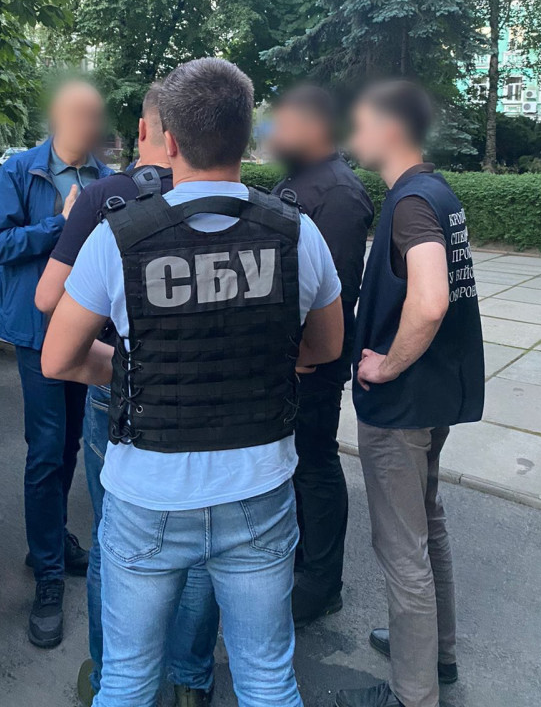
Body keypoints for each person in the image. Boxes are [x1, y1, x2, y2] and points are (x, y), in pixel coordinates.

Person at [41, 58, 344, 707]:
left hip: (147, 492)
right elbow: (327, 346)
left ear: (170, 140)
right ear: (246, 138)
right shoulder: (298, 232)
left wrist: (134, 373)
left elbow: (58, 359)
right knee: (268, 680)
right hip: (258, 486)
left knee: (126, 680)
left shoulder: (117, 237)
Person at [35, 82, 220, 707]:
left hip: (120, 390)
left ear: (147, 131)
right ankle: (190, 681)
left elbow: (47, 298)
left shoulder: (103, 197)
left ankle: (111, 676)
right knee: (202, 543)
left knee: (116, 537)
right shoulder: (224, 200)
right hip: (209, 391)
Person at [335, 81, 484, 707]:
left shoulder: (411, 203)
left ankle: (411, 694)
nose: (353, 135)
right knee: (428, 523)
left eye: (361, 123)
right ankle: (434, 654)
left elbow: (429, 301)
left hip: (403, 406)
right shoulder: (437, 192)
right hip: (436, 396)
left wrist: (386, 366)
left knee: (402, 549)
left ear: (391, 128)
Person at [0, 79, 113, 649]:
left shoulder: (107, 178)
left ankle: (52, 541)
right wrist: (61, 224)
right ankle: (48, 574)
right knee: (45, 447)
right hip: (36, 334)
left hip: (85, 332)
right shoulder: (20, 171)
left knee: (69, 445)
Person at [270, 83, 374, 628]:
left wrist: (304, 353)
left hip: (313, 359)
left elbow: (333, 292)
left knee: (314, 464)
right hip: (285, 357)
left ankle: (320, 582)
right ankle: (295, 558)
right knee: (292, 465)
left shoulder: (338, 193)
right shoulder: (297, 181)